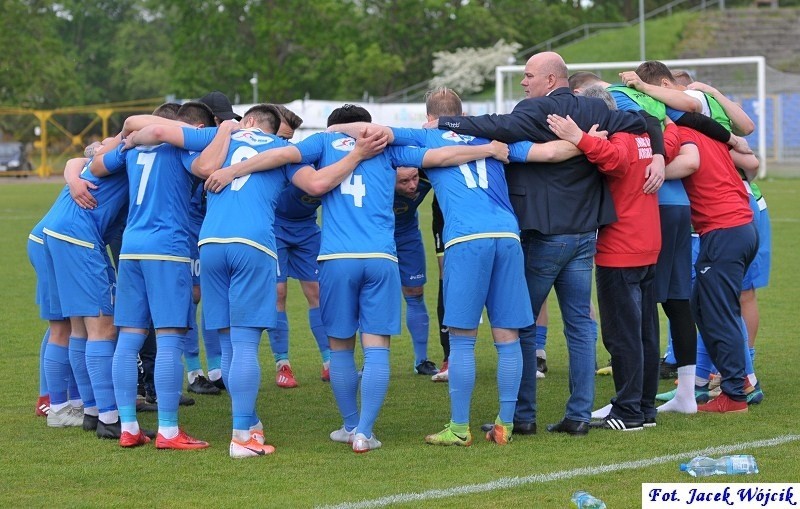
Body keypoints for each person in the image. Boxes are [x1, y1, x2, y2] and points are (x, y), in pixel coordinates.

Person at [204, 103, 510, 452]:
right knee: (377, 348)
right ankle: (365, 432)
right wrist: (486, 149)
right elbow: (440, 156)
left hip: (336, 259)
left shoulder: (320, 143)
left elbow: (280, 155)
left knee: (341, 348)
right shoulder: (388, 148)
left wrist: (233, 170)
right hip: (380, 257)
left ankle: (349, 424)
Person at [330, 88, 584, 445]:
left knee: (463, 340)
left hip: (467, 240)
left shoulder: (426, 134)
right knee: (508, 337)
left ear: (429, 115)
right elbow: (553, 151)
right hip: (508, 237)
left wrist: (329, 133)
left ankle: (460, 428)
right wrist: (589, 140)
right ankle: (506, 424)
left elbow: (364, 130)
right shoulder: (493, 135)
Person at [434, 52, 652, 436]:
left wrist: (445, 122)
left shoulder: (536, 111)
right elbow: (644, 120)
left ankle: (523, 416)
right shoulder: (593, 108)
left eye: (529, 75)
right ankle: (579, 416)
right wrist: (661, 155)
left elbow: (495, 124)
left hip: (545, 235)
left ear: (550, 80)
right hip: (585, 232)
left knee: (519, 323)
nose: (524, 82)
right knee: (580, 326)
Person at [175, 103, 388, 458]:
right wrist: (358, 155)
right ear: (271, 129)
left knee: (227, 344)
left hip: (209, 243)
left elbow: (167, 135)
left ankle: (248, 422)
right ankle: (243, 436)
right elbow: (317, 184)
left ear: (248, 120)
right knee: (244, 344)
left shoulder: (218, 138)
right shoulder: (280, 150)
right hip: (252, 244)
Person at [548, 86, 677, 430]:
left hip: (620, 248)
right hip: (647, 243)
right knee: (645, 331)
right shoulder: (641, 132)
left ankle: (629, 411)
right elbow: (657, 122)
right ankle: (645, 409)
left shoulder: (620, 138)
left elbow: (616, 161)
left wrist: (578, 137)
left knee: (623, 334)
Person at [90, 102, 216, 449]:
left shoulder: (133, 149)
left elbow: (98, 164)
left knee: (129, 338)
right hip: (168, 249)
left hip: (131, 247)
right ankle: (170, 431)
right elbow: (207, 168)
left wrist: (119, 141)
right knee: (170, 338)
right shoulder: (182, 146)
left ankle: (128, 426)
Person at [41, 137, 139, 439]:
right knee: (103, 327)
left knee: (78, 328)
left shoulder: (130, 151)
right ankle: (109, 419)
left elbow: (87, 155)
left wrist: (75, 175)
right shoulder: (134, 151)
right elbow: (94, 153)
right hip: (77, 235)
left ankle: (90, 410)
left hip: (61, 232)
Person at [663, 113, 758, 413]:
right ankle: (733, 380)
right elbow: (750, 164)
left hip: (725, 231)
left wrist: (647, 171)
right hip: (734, 229)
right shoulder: (710, 136)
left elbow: (690, 164)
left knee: (720, 312)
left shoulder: (682, 133)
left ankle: (735, 391)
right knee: (702, 306)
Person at [264, 105, 329, 388]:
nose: (285, 145)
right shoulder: (261, 159)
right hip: (274, 227)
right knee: (278, 293)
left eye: (289, 139)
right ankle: (283, 364)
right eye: (281, 137)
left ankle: (330, 362)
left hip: (306, 230)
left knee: (317, 291)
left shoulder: (307, 159)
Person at [393, 166, 438, 376]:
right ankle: (373, 361)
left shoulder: (426, 174)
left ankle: (421, 361)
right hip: (373, 234)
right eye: (403, 181)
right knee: (373, 297)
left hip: (407, 235)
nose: (412, 185)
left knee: (415, 292)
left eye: (414, 178)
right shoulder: (374, 176)